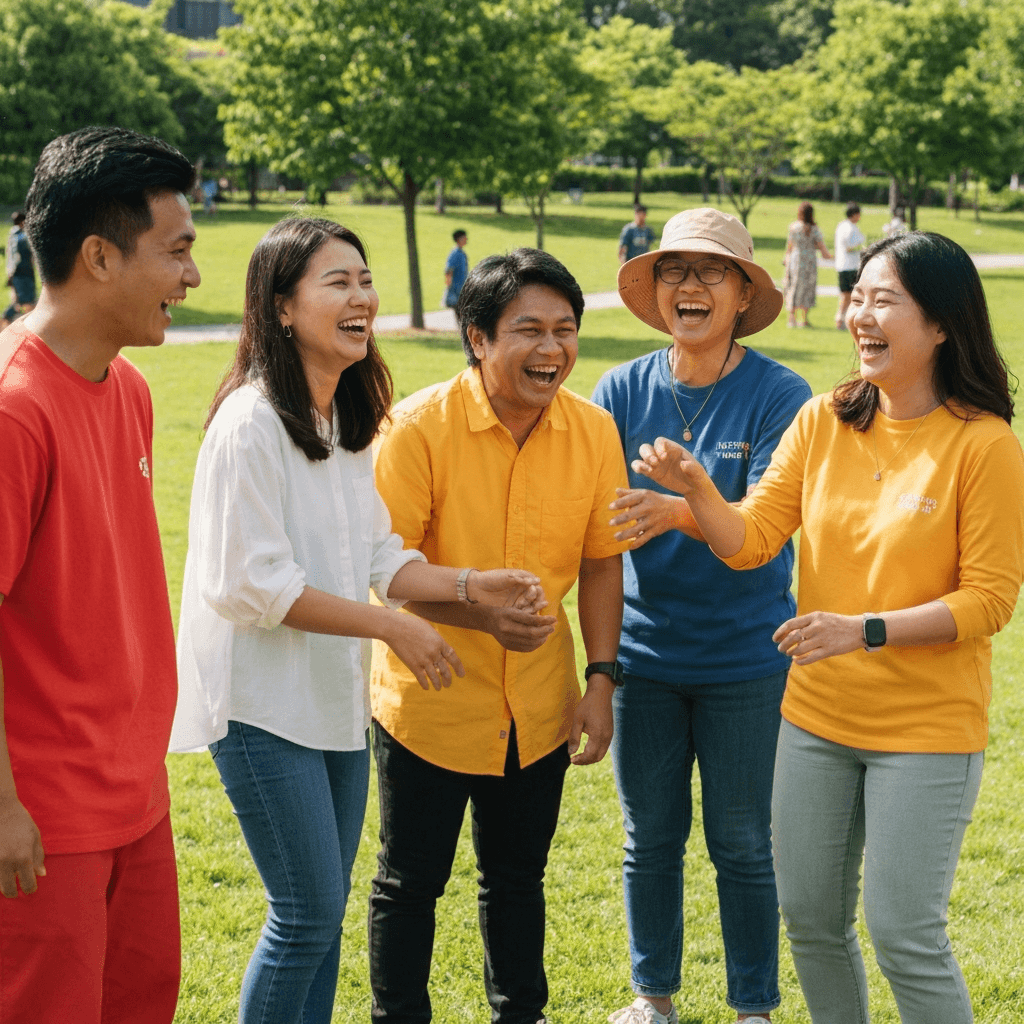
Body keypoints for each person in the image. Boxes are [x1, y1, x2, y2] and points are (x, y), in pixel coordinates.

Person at [633, 231, 1024, 1024]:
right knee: (811, 922)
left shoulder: (984, 444)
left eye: (885, 300)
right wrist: (700, 491)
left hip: (925, 731)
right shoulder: (823, 421)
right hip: (816, 721)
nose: (860, 315)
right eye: (859, 297)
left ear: (943, 324)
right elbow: (750, 542)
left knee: (903, 932)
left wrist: (865, 630)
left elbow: (990, 600)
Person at [170, 217, 544, 1024]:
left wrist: (477, 585)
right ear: (280, 308)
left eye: (365, 280)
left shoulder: (343, 418)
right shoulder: (250, 423)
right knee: (303, 916)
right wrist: (392, 628)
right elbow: (251, 588)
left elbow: (382, 557)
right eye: (337, 282)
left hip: (329, 708)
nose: (361, 298)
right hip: (262, 710)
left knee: (323, 917)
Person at [369, 247, 630, 1024]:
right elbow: (389, 572)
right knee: (409, 882)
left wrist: (602, 681)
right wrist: (482, 614)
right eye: (528, 330)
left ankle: (522, 1013)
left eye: (566, 330)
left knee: (518, 879)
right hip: (430, 701)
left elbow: (602, 566)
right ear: (478, 338)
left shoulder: (594, 431)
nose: (552, 350)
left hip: (541, 707)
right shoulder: (415, 428)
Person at [0, 126, 200, 1023]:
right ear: (98, 257)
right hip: (40, 819)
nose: (193, 276)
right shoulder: (13, 409)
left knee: (141, 1000)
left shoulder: (130, 388)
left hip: (134, 795)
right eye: (177, 250)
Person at [595, 207, 811, 1024]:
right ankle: (654, 998)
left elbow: (760, 526)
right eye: (675, 271)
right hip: (645, 661)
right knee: (649, 840)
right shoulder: (620, 389)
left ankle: (753, 1006)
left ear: (742, 291)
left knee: (743, 844)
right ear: (657, 293)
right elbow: (598, 521)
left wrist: (686, 502)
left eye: (711, 271)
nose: (691, 285)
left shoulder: (780, 395)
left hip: (746, 662)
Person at [783, 201, 831, 329]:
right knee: (807, 288)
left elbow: (789, 245)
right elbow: (822, 249)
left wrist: (785, 258)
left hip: (795, 258)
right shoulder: (814, 229)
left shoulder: (793, 227)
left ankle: (791, 318)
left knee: (794, 285)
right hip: (809, 260)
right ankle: (803, 319)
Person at [833, 202, 864, 330]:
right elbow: (848, 247)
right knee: (849, 295)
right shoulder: (850, 228)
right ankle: (841, 318)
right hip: (849, 266)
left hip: (843, 265)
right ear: (855, 214)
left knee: (846, 295)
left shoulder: (842, 225)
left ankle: (843, 318)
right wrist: (861, 249)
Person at [2, 211, 36, 327]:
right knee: (25, 301)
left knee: (20, 302)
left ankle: (6, 319)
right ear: (23, 222)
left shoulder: (12, 235)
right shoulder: (21, 237)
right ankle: (6, 319)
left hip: (17, 274)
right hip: (23, 274)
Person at [443, 228, 469, 308]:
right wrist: (449, 286)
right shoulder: (455, 253)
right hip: (456, 289)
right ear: (459, 239)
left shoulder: (461, 253)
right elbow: (448, 271)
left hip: (461, 288)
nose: (466, 239)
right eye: (465, 237)